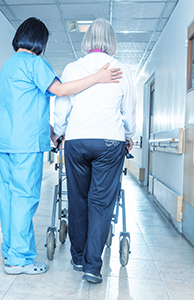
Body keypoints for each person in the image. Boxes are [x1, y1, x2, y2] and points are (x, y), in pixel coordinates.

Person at [0, 17, 123, 276]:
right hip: (24, 144)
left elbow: (20, 104)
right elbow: (62, 91)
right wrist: (98, 77)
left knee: (8, 199)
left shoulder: (8, 66)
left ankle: (11, 250)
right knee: (24, 198)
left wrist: (52, 131)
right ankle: (19, 260)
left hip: (2, 141)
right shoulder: (34, 62)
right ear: (40, 41)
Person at [52, 18, 136, 283]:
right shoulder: (122, 69)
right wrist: (129, 135)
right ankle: (92, 266)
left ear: (87, 40)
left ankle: (77, 257)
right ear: (112, 41)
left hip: (76, 140)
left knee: (78, 199)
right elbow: (130, 112)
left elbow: (61, 108)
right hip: (110, 142)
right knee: (101, 204)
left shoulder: (72, 67)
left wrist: (59, 130)